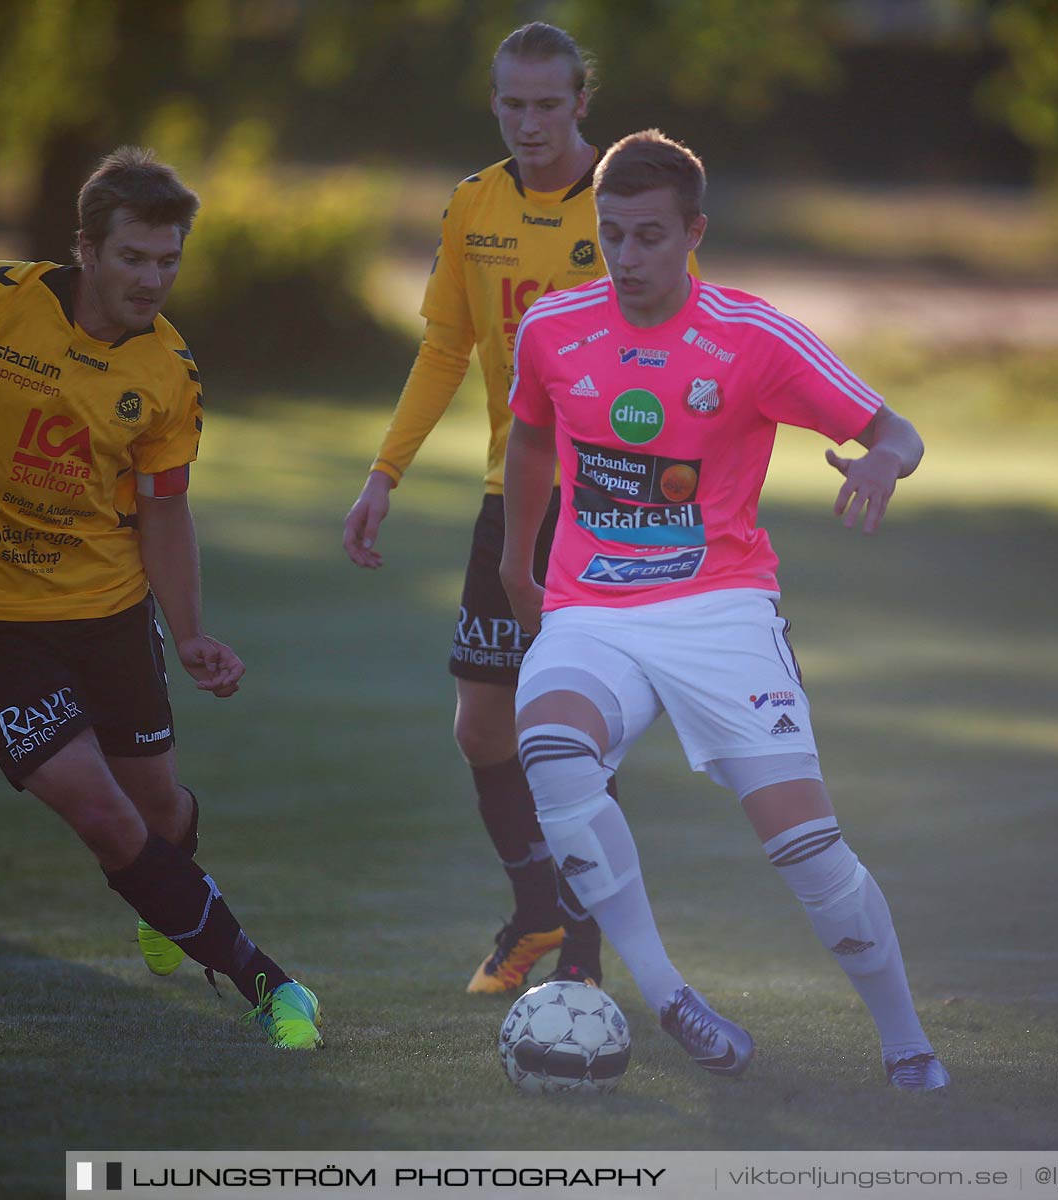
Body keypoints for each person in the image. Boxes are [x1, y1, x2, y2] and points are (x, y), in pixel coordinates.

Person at [0, 146, 322, 1049]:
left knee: (158, 815)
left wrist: (192, 632)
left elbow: (166, 515)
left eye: (169, 260)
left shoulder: (170, 373)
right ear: (85, 249)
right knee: (100, 812)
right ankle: (270, 985)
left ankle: (164, 896)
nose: (153, 279)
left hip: (107, 610)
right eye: (134, 257)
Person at [500, 130, 950, 1090]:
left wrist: (882, 462)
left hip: (721, 610)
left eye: (650, 237)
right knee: (549, 747)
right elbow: (531, 443)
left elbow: (896, 428)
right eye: (611, 234)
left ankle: (907, 1044)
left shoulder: (752, 337)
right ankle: (669, 998)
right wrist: (515, 556)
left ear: (694, 232)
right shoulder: (552, 329)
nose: (626, 258)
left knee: (808, 852)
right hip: (592, 610)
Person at [343, 22, 694, 995]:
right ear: (493, 101)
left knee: (577, 729)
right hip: (513, 495)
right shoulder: (472, 207)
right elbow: (446, 351)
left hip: (610, 506)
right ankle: (540, 909)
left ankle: (583, 961)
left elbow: (681, 346)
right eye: (512, 103)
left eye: (549, 103)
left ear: (583, 100)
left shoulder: (626, 205)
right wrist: (385, 473)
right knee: (482, 730)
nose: (530, 122)